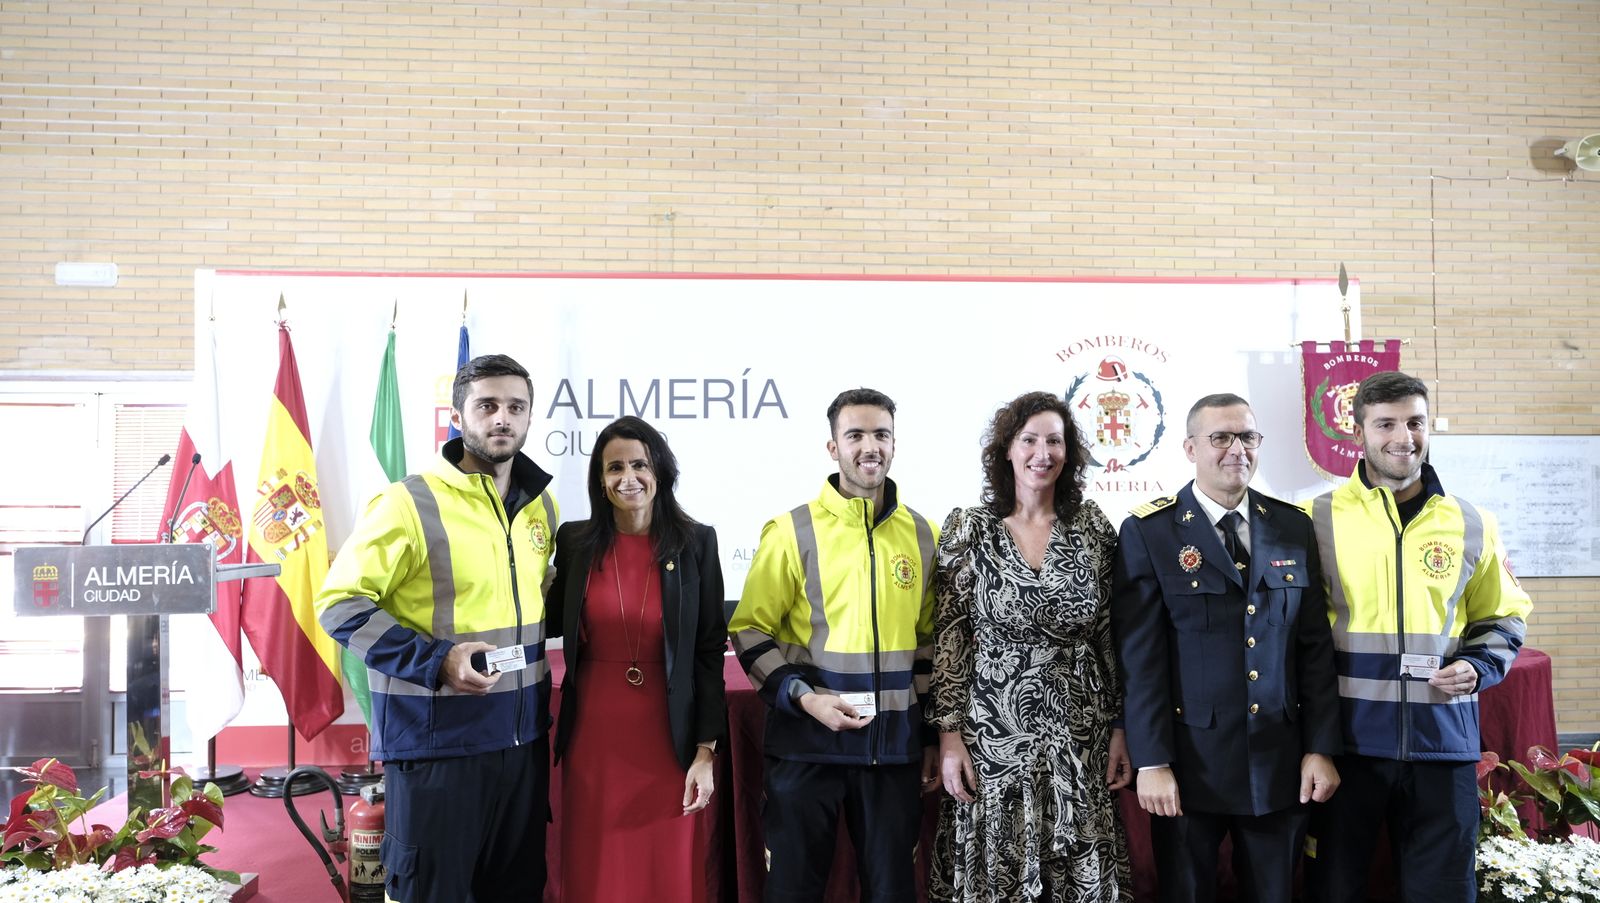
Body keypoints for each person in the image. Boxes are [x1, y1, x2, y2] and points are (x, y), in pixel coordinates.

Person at [315, 353, 559, 903]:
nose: (503, 418)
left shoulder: (541, 505)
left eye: (516, 407)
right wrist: (436, 661)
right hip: (437, 744)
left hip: (520, 741)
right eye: (488, 405)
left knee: (517, 889)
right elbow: (339, 604)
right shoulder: (408, 502)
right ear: (458, 415)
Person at [1302, 372, 1531, 903]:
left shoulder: (1472, 521)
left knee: (1445, 892)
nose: (1403, 436)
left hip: (1442, 742)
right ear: (1358, 432)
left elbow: (1505, 616)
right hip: (1347, 747)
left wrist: (1480, 665)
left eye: (1415, 422)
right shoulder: (1315, 520)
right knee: (1334, 888)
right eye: (1385, 424)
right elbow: (1295, 633)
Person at [1110, 392, 1342, 903]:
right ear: (1191, 448)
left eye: (1247, 437)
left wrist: (1320, 747)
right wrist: (1151, 761)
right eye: (1221, 437)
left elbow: (1313, 649)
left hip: (1277, 762)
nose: (1236, 448)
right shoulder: (1149, 531)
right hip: (1190, 766)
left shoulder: (1291, 525)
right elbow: (1140, 658)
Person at [728, 387, 939, 903]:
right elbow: (750, 630)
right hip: (806, 747)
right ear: (833, 447)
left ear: (894, 443)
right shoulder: (789, 531)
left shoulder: (926, 535)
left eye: (881, 435)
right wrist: (805, 698)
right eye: (856, 435)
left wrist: (930, 736)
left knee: (893, 892)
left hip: (892, 753)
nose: (871, 446)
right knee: (793, 890)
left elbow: (930, 649)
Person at [928, 391, 1134, 903]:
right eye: (1029, 440)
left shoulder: (1092, 530)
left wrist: (1120, 726)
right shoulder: (969, 530)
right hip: (993, 733)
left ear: (1070, 453)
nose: (1043, 453)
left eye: (1055, 441)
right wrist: (949, 737)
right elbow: (951, 638)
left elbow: (1111, 634)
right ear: (1007, 450)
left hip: (1079, 730)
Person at [547, 415, 727, 903]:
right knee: (595, 864)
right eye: (614, 468)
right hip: (594, 736)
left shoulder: (696, 543)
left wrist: (706, 751)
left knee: (664, 867)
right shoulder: (575, 542)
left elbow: (710, 651)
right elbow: (545, 618)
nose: (628, 477)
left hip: (668, 735)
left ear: (660, 472)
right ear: (600, 482)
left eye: (639, 465)